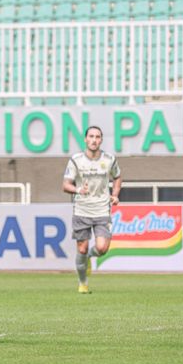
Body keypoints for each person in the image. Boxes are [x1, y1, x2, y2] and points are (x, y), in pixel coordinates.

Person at [62, 126, 122, 294]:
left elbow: (117, 177)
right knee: (81, 248)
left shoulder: (109, 159)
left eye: (97, 137)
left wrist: (115, 194)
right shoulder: (76, 160)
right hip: (81, 210)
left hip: (102, 209)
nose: (94, 140)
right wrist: (77, 190)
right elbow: (65, 185)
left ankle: (89, 257)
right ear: (86, 139)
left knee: (102, 248)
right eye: (91, 136)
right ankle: (83, 283)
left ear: (101, 140)